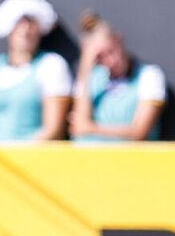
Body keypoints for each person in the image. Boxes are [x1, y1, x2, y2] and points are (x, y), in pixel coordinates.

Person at [0, 0, 72, 142]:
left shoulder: (52, 65)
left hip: (36, 155)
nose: (25, 30)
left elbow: (54, 129)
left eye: (31, 23)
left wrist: (22, 153)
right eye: (19, 22)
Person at [70, 12, 166, 142]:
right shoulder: (92, 77)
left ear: (118, 39)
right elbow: (79, 130)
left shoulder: (149, 75)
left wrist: (91, 128)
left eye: (111, 51)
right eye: (99, 57)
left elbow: (139, 132)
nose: (110, 61)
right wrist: (85, 68)